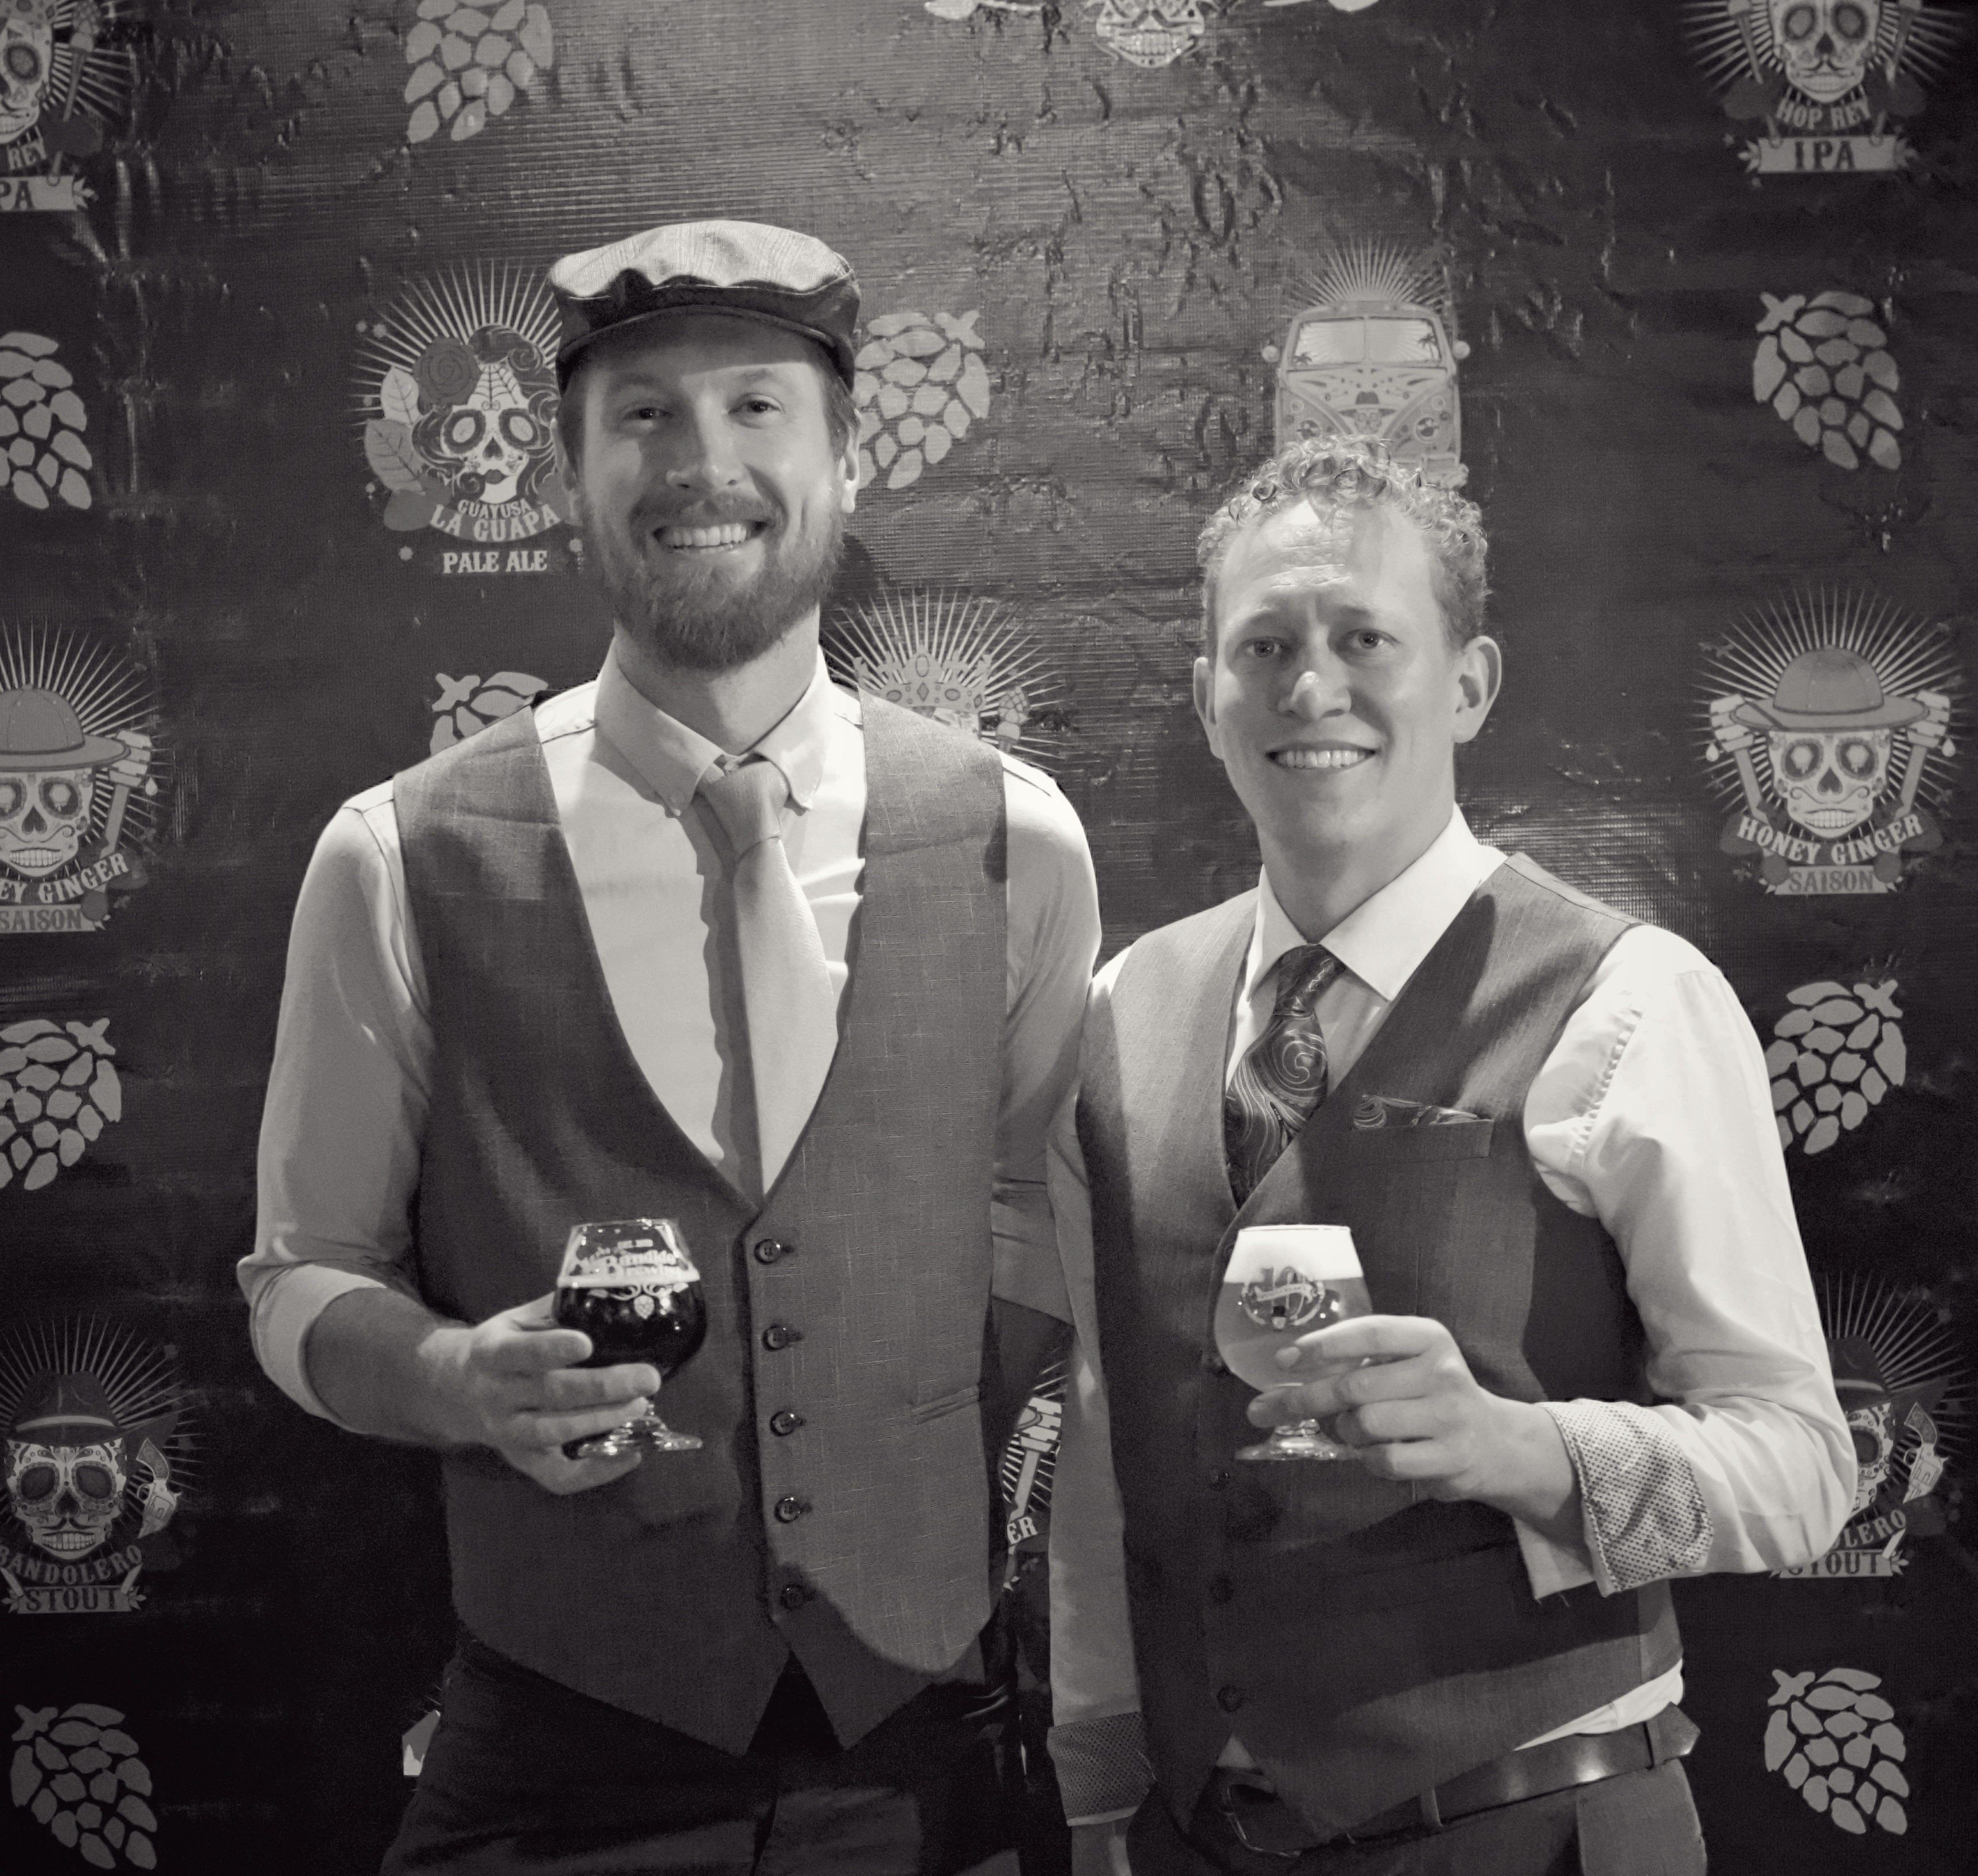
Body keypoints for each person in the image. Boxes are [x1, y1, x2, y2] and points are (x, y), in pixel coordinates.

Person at [240, 219, 1100, 1874]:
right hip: (563, 1760)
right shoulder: (396, 855)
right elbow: (298, 1275)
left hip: (925, 1768)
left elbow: (1041, 1240)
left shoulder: (1017, 839)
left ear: (848, 460)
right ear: (566, 473)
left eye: (758, 409)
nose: (702, 463)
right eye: (642, 415)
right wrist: (445, 1379)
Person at [1045, 435, 1854, 1876]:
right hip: (1191, 1836)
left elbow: (1799, 1469)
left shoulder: (1628, 998)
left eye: (1365, 638)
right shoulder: (1121, 1011)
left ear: (1467, 683)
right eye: (1263, 645)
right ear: (1207, 701)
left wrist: (1515, 1446)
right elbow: (1110, 1454)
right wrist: (1100, 1784)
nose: (1312, 687)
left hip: (1532, 1825)